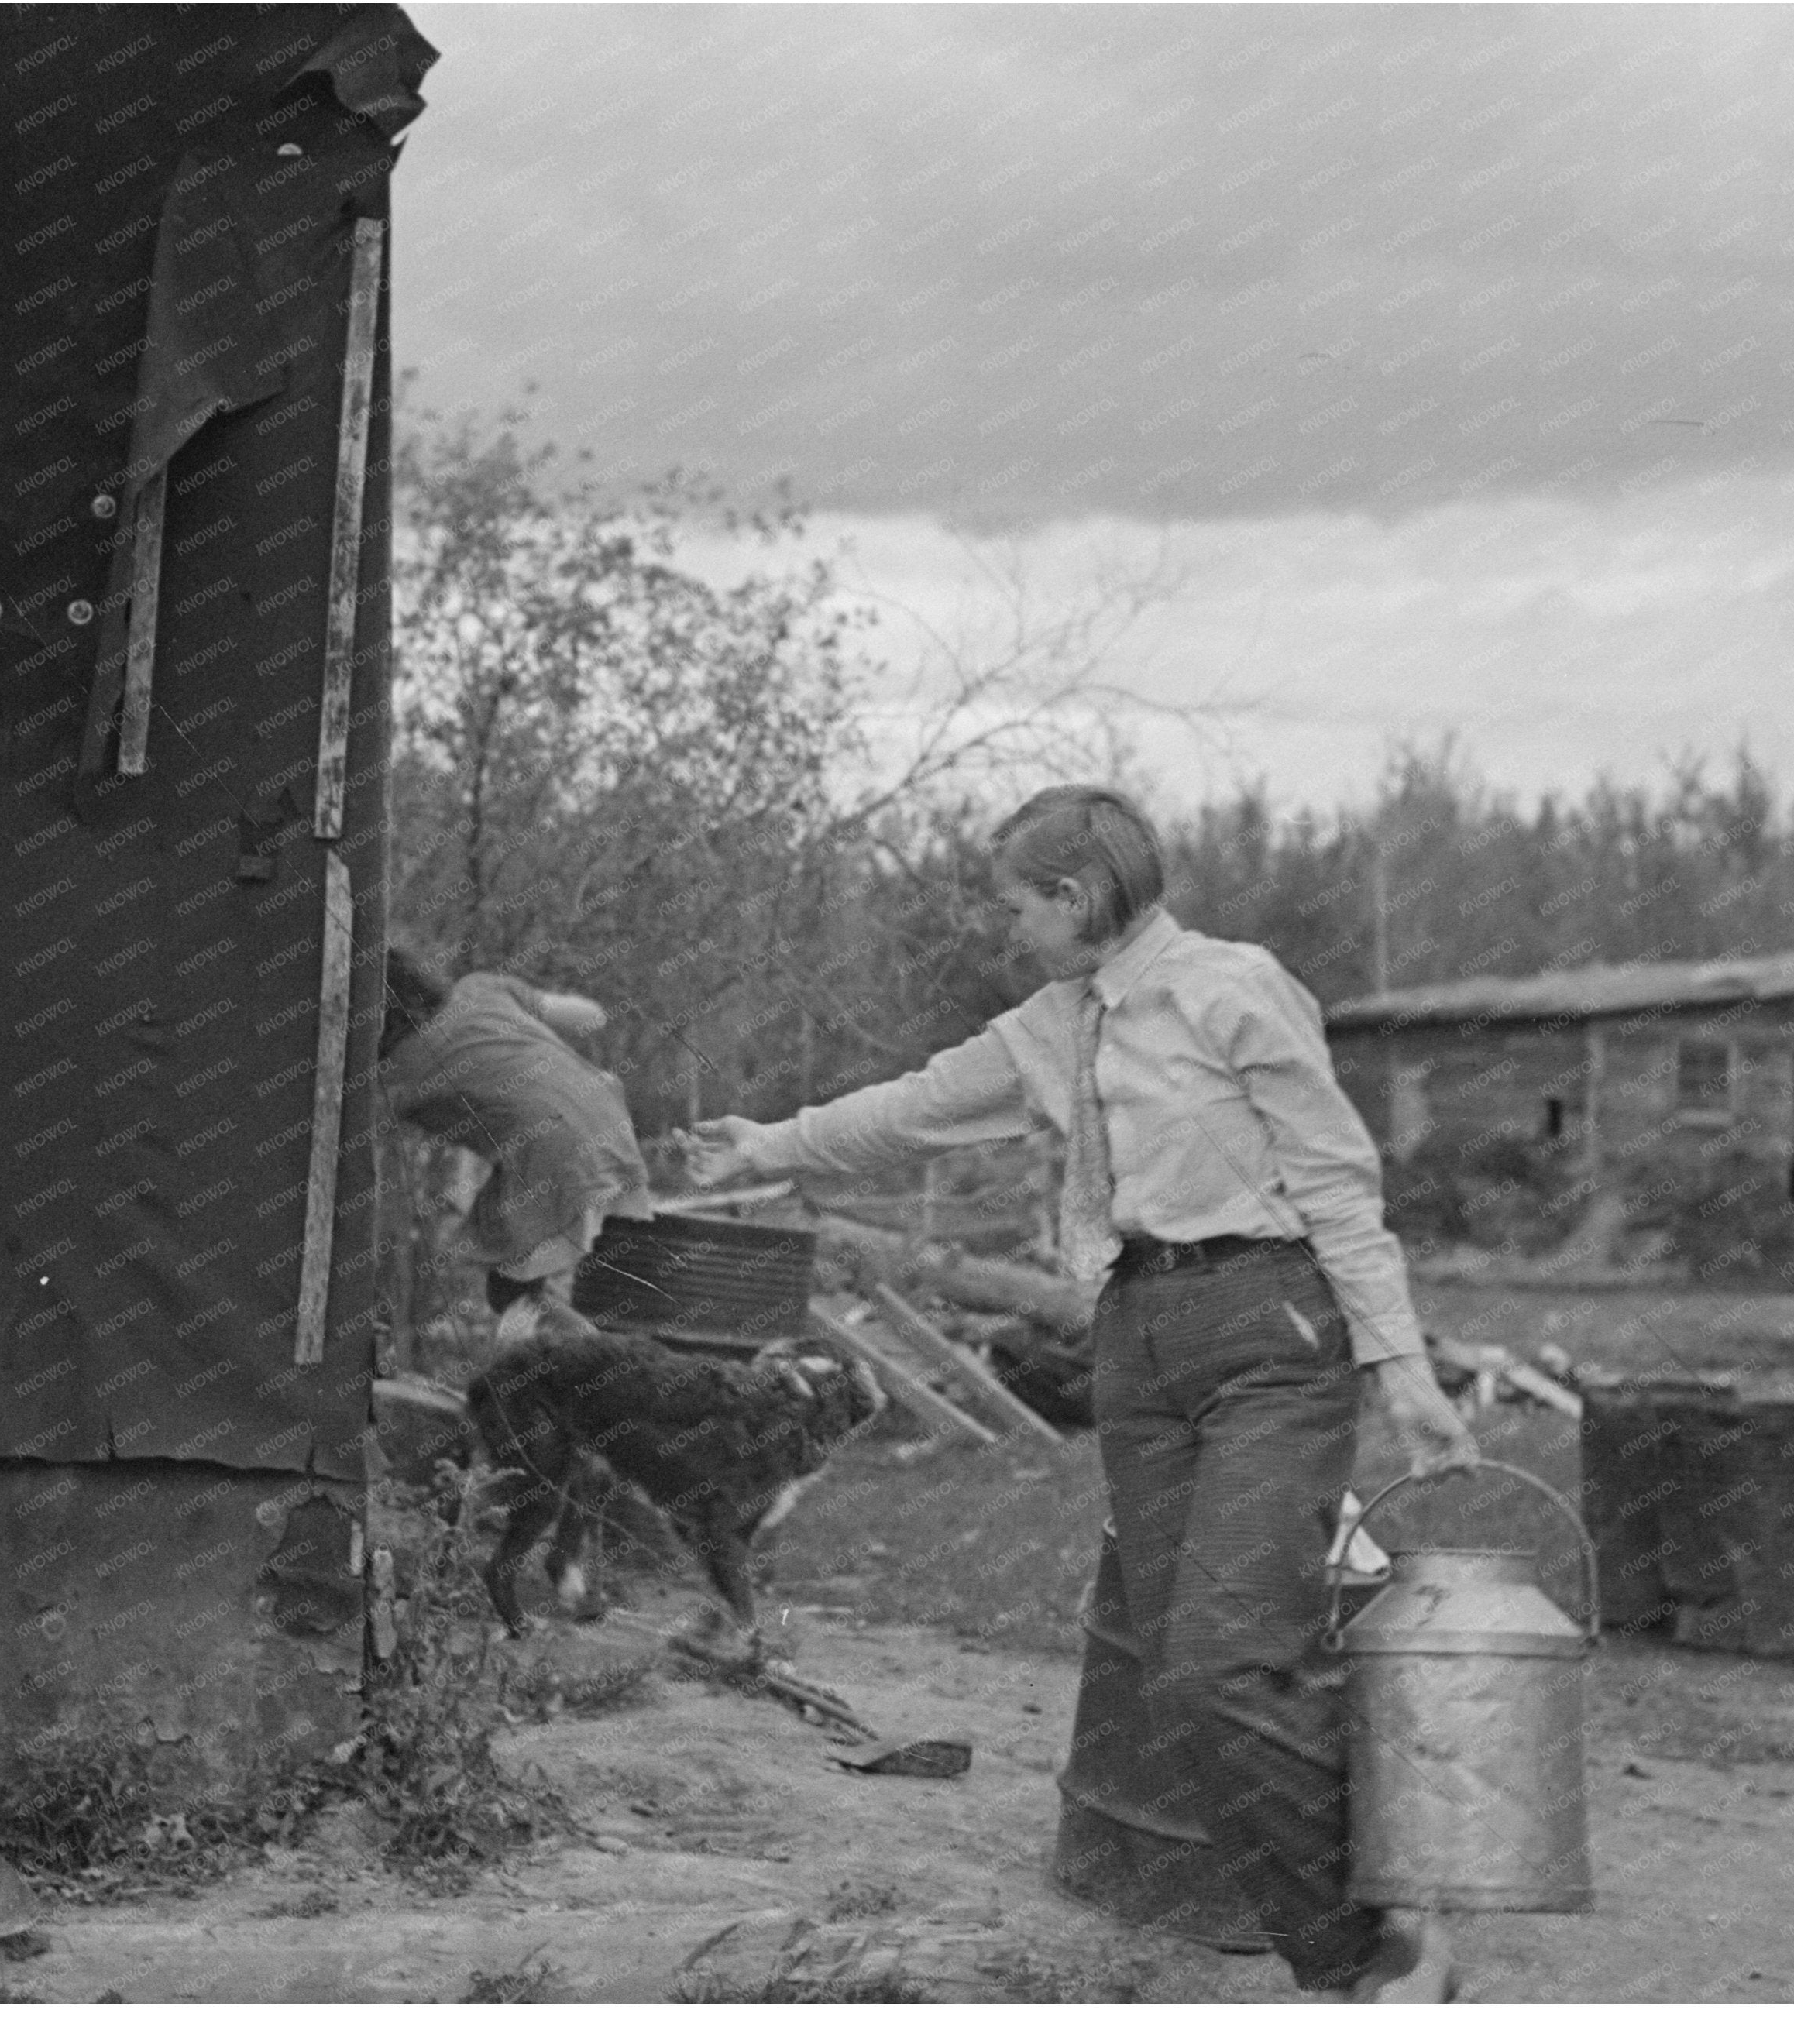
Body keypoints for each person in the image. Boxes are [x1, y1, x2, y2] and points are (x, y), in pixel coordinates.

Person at [679, 785, 1479, 2004]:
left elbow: (1336, 1182)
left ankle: (1383, 1947)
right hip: (1137, 1333)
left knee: (1226, 1661)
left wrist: (1402, 1365)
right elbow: (915, 1107)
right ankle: (1368, 1929)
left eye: (1018, 905)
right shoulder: (1053, 1026)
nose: (1011, 930)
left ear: (1073, 894)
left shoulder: (1235, 987)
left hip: (1267, 1324)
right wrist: (771, 1143)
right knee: (1190, 1664)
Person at [380, 945, 657, 1344]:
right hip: (608, 1118)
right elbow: (591, 1017)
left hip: (552, 1152)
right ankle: (594, 1365)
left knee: (517, 1297)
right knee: (539, 1288)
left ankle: (604, 1363)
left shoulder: (396, 1071)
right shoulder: (483, 989)